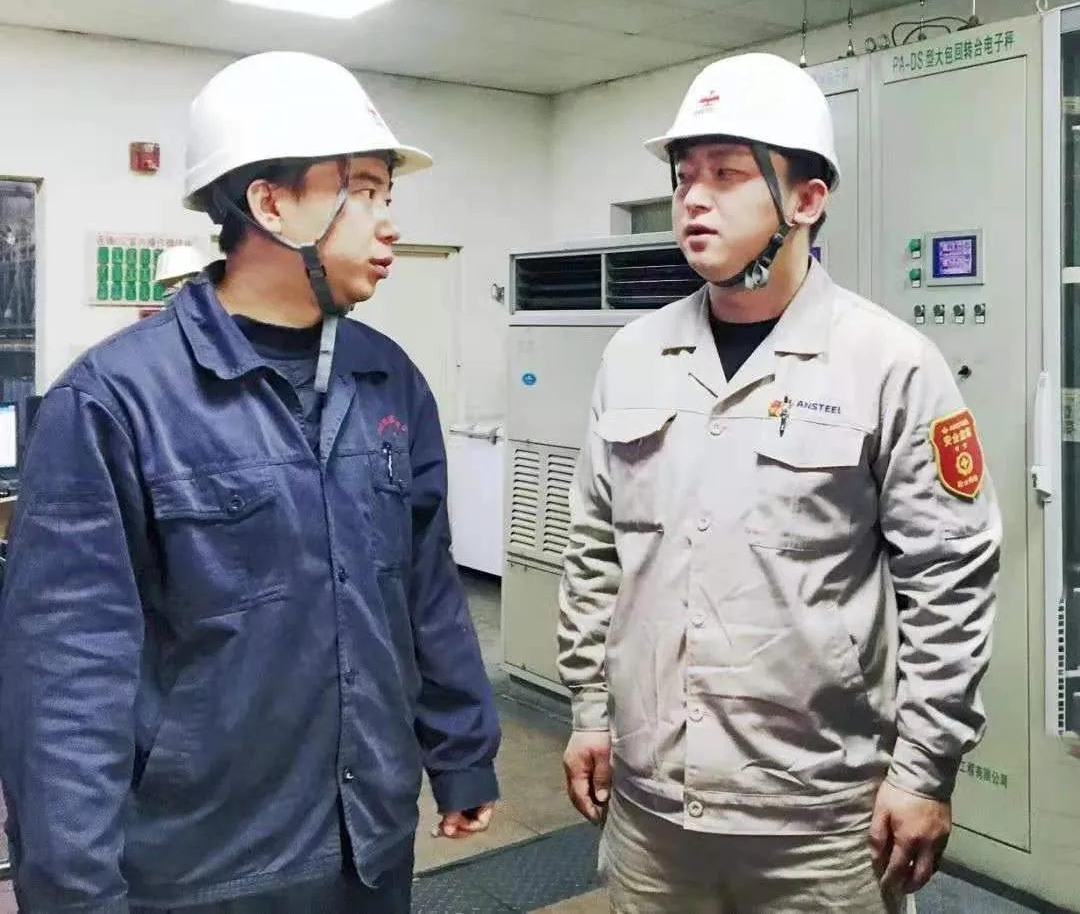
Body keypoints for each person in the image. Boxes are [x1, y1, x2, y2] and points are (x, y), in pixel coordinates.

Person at [0, 51, 500, 913]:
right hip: (199, 868)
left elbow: (425, 590)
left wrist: (461, 750)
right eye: (364, 191)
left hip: (369, 846)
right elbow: (68, 675)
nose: (388, 225)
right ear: (270, 204)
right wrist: (74, 890)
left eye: (388, 196)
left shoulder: (390, 380)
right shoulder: (116, 401)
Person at [558, 52, 1000, 913]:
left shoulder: (889, 364)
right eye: (684, 176)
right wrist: (588, 709)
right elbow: (594, 553)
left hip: (820, 821)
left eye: (726, 174)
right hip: (653, 810)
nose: (693, 197)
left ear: (806, 199)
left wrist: (924, 768)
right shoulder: (634, 356)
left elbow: (950, 580)